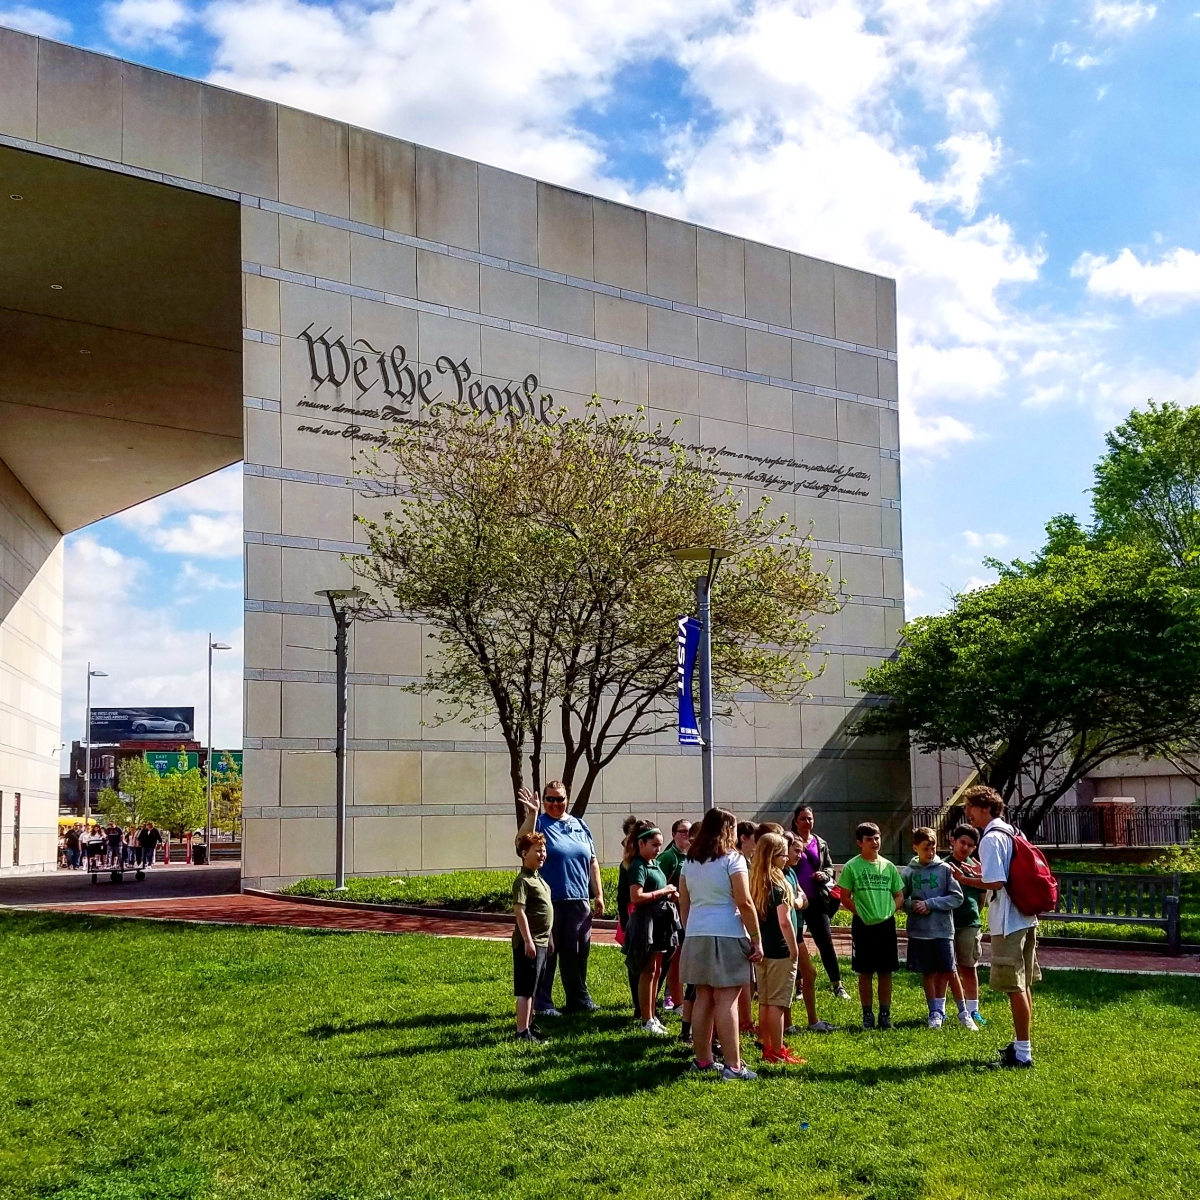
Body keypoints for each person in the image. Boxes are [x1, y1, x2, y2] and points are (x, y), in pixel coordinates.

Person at [678, 807, 763, 1082]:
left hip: (696, 933)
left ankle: (703, 1060)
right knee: (727, 1000)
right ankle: (734, 1066)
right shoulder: (733, 860)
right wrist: (756, 937)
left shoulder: (689, 861)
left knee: (703, 997)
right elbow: (744, 901)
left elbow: (684, 901)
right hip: (726, 933)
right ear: (728, 830)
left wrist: (691, 927)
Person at [962, 785, 1040, 1069]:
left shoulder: (990, 839)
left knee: (1013, 986)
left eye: (970, 807)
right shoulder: (1012, 832)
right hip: (1026, 916)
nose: (968, 813)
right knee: (1023, 984)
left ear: (984, 808)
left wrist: (968, 880)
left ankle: (1022, 1055)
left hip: (1008, 921)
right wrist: (978, 872)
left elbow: (996, 882)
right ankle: (1022, 1047)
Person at [515, 781, 605, 1017]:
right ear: (544, 800)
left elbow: (592, 861)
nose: (555, 803)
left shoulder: (580, 825)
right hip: (548, 901)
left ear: (567, 799)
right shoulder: (540, 823)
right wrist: (533, 813)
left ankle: (578, 997)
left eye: (560, 799)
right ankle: (543, 1003)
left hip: (578, 899)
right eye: (550, 799)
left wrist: (598, 894)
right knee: (548, 951)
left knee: (577, 951)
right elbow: (521, 843)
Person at [837, 821, 904, 1030]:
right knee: (865, 972)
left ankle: (885, 1015)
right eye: (869, 839)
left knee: (886, 971)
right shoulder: (852, 867)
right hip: (862, 926)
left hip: (886, 925)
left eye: (877, 838)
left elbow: (899, 894)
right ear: (860, 843)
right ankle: (867, 1015)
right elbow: (844, 895)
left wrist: (891, 909)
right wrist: (861, 912)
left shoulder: (888, 867)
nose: (875, 842)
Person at [750, 832, 807, 1065]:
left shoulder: (756, 880)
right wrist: (794, 950)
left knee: (765, 1000)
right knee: (779, 1003)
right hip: (781, 950)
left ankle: (768, 1047)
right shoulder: (779, 884)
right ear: (773, 856)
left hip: (764, 949)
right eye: (783, 853)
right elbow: (784, 920)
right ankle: (777, 1050)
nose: (787, 858)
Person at [902, 827, 967, 1030]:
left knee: (950, 970)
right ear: (915, 848)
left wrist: (931, 903)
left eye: (933, 847)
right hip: (920, 931)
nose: (930, 852)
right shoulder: (909, 872)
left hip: (942, 930)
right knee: (927, 972)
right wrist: (913, 905)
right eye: (925, 848)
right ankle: (935, 1012)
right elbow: (901, 900)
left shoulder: (945, 869)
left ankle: (964, 1012)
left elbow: (957, 897)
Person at [622, 821, 683, 1035]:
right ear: (641, 843)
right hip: (646, 922)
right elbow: (636, 897)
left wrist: (670, 894)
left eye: (660, 845)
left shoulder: (653, 863)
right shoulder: (638, 865)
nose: (658, 849)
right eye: (655, 845)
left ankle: (652, 1014)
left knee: (656, 971)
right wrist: (663, 891)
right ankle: (646, 1018)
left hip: (660, 921)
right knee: (648, 971)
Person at [790, 805, 851, 1000]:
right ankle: (798, 986)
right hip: (795, 901)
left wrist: (824, 874)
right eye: (803, 818)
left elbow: (829, 867)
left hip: (817, 900)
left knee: (825, 942)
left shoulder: (820, 842)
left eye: (810, 818)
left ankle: (837, 985)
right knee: (796, 942)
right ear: (795, 821)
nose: (807, 822)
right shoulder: (789, 841)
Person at [783, 834, 834, 1035]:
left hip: (796, 932)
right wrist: (797, 900)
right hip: (784, 935)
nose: (800, 854)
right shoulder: (778, 874)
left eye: (802, 850)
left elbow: (802, 899)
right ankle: (787, 1025)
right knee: (786, 980)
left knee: (809, 974)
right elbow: (792, 901)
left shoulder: (790, 873)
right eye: (796, 850)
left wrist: (798, 900)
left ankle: (813, 1020)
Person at [512, 831, 554, 1044]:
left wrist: (550, 938)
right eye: (537, 851)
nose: (542, 854)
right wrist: (528, 940)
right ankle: (521, 1032)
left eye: (543, 850)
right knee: (526, 989)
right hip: (530, 944)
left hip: (542, 942)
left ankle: (529, 1026)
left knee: (535, 987)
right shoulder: (522, 881)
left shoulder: (539, 879)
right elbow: (520, 912)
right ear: (524, 853)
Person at [946, 824, 987, 1027]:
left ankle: (973, 1010)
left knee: (968, 966)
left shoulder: (976, 867)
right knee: (946, 967)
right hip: (946, 923)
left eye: (971, 845)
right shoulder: (943, 866)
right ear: (953, 841)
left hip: (969, 923)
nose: (965, 848)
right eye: (962, 843)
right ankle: (941, 1008)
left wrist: (974, 915)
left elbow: (981, 897)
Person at [657, 819, 691, 1012]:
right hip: (672, 916)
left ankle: (677, 995)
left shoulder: (690, 857)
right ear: (674, 834)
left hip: (687, 916)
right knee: (674, 958)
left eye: (689, 832)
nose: (686, 835)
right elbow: (656, 882)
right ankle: (673, 998)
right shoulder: (669, 857)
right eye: (682, 832)